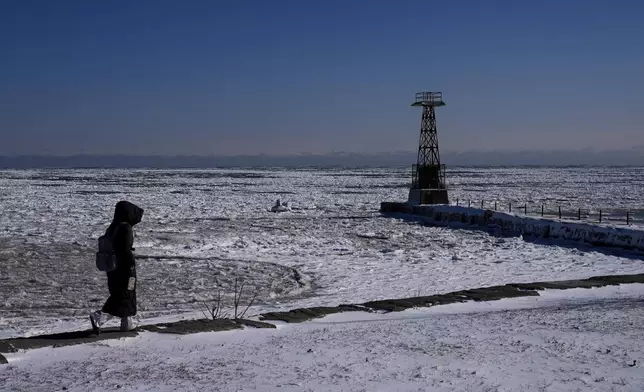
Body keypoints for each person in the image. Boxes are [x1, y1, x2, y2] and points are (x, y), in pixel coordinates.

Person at [90, 200, 144, 334]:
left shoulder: (112, 227)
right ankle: (99, 318)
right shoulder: (125, 227)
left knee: (121, 293)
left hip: (113, 267)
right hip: (125, 268)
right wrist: (131, 267)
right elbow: (125, 250)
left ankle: (127, 322)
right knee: (126, 293)